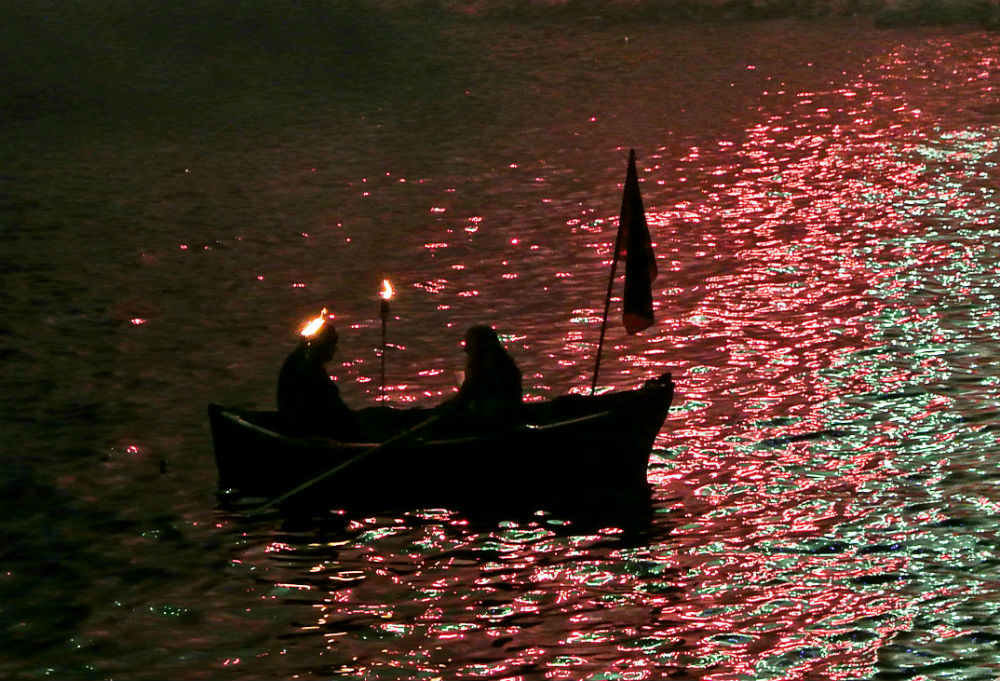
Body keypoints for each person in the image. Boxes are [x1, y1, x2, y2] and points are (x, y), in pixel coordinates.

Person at [277, 310, 362, 440]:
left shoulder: (303, 360)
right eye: (332, 344)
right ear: (321, 345)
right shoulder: (306, 367)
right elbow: (327, 405)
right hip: (308, 432)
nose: (335, 349)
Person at [443, 325, 522, 420]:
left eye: (469, 342)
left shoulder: (484, 366)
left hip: (494, 416)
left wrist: (447, 406)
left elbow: (468, 392)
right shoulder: (505, 362)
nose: (466, 349)